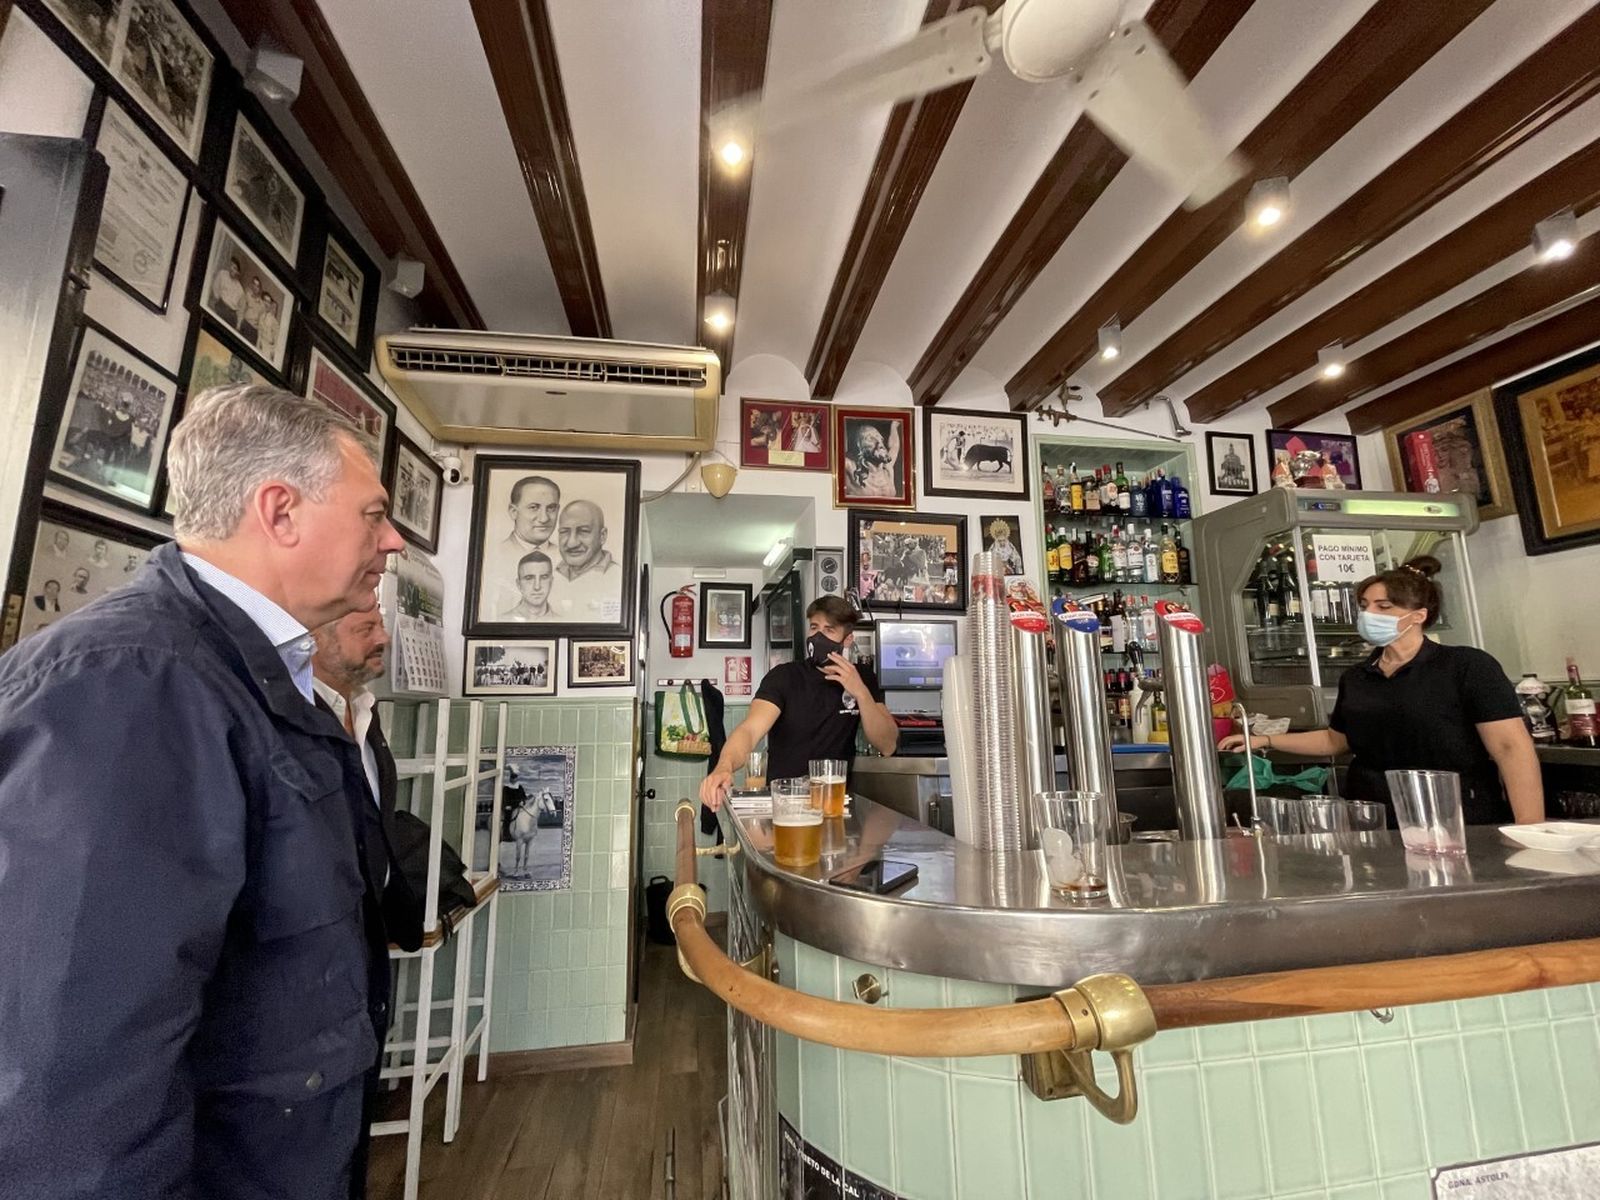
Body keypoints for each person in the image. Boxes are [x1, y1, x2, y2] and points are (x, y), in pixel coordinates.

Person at [0, 382, 405, 1198]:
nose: (392, 541)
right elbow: (72, 1075)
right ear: (280, 511)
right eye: (373, 513)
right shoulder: (132, 684)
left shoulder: (246, 673)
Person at [1218, 556, 1542, 826]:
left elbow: (1511, 749)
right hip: (1373, 818)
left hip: (1456, 817)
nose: (1368, 615)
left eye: (1383, 606)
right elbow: (1336, 740)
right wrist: (1263, 740)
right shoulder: (1358, 677)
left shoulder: (1467, 666)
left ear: (1418, 616)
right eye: (1364, 605)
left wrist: (1532, 831)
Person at [700, 596, 898, 809]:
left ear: (848, 639)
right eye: (814, 627)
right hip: (785, 802)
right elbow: (750, 730)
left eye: (829, 630)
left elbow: (887, 745)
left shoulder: (863, 678)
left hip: (832, 802)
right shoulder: (784, 677)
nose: (818, 636)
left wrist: (860, 692)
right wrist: (724, 766)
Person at [502, 550, 555, 620]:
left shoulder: (563, 621)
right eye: (529, 578)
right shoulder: (502, 619)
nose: (537, 587)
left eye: (544, 577)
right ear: (518, 584)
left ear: (551, 582)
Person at [211, 256, 244, 325]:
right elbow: (215, 288)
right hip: (220, 306)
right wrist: (216, 302)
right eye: (231, 266)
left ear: (238, 272)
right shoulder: (222, 274)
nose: (232, 269)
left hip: (231, 314)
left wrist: (238, 324)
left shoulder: (240, 289)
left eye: (235, 268)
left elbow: (240, 309)